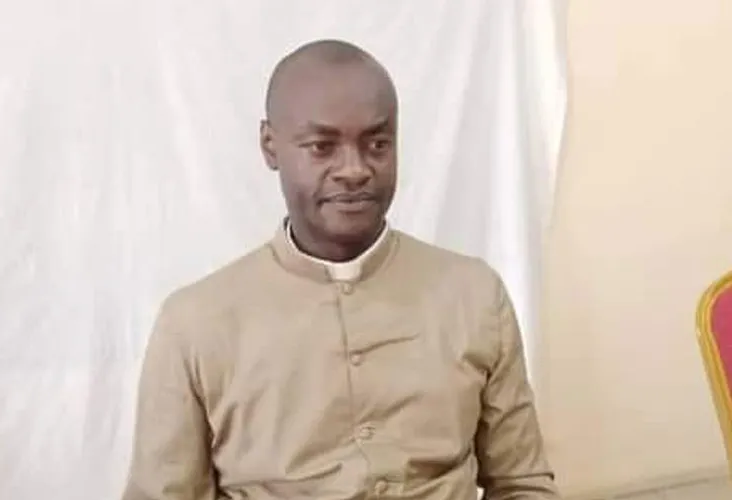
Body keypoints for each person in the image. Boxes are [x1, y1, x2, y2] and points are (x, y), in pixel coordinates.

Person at [122, 39, 560, 500]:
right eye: (321, 147)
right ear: (270, 146)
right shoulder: (195, 323)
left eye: (377, 144)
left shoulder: (473, 295)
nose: (354, 170)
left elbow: (522, 483)